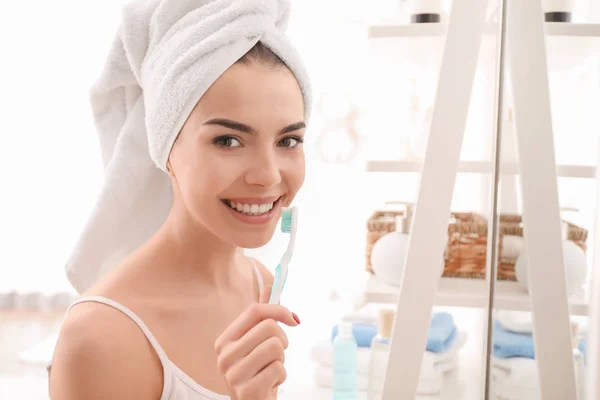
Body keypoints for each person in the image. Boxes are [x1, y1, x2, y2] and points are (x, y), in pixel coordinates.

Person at [48, 1, 311, 399]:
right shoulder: (100, 337)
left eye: (288, 140)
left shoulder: (263, 286)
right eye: (229, 140)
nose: (269, 175)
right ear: (166, 148)